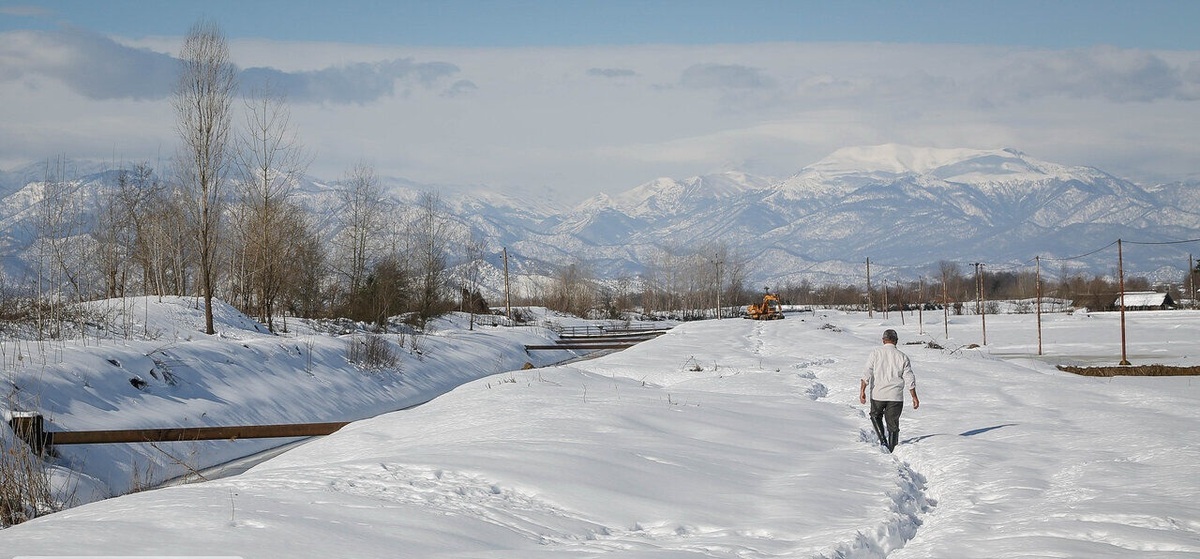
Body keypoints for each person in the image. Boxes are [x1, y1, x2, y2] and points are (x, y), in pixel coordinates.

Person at [859, 329, 919, 452]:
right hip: (895, 396)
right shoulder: (902, 357)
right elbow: (909, 378)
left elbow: (867, 372)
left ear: (883, 340)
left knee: (875, 415)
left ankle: (883, 442)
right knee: (893, 424)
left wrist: (862, 391)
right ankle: (893, 449)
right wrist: (914, 396)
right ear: (896, 341)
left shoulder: (875, 353)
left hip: (878, 394)